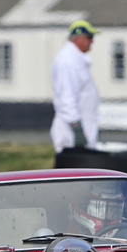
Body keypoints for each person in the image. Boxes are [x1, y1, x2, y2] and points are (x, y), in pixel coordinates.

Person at [51, 20, 100, 153]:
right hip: (72, 131)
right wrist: (76, 128)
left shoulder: (76, 59)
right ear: (78, 38)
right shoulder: (67, 61)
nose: (92, 41)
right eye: (89, 37)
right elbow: (67, 97)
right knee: (73, 169)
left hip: (83, 125)